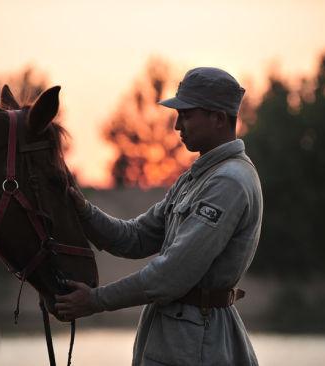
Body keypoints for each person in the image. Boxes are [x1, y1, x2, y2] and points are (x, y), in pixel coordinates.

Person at [55, 67, 263, 366]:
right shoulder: (197, 177)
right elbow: (135, 238)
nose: (178, 125)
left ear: (218, 119)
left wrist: (95, 300)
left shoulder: (228, 182)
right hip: (179, 336)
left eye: (187, 114)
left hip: (196, 345)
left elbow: (171, 275)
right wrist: (82, 210)